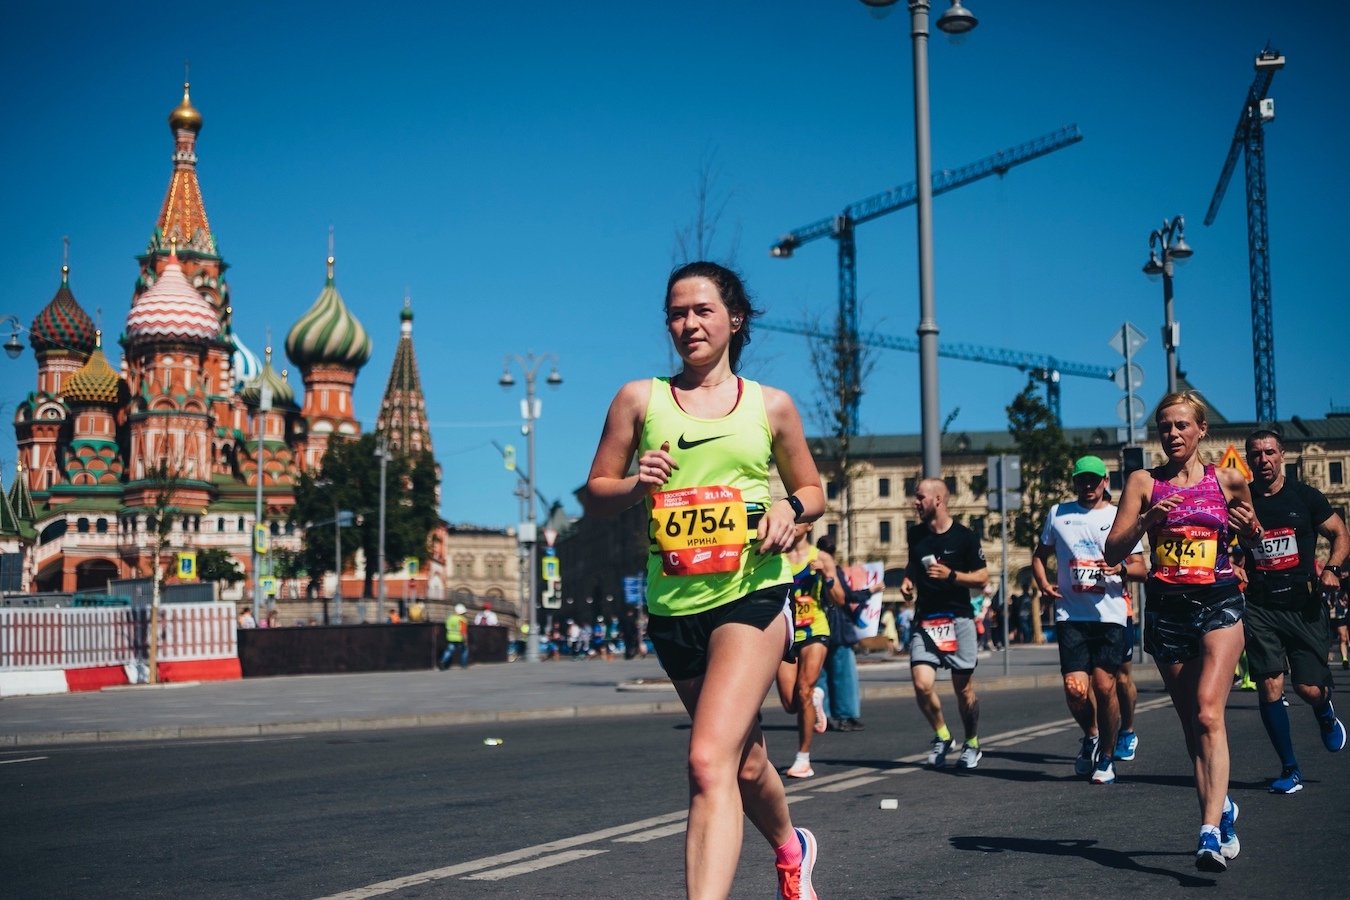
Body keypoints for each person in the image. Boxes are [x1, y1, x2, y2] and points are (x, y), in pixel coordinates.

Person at [583, 261, 825, 899]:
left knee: (704, 760)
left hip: (752, 592)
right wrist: (638, 483)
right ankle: (791, 848)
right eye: (676, 312)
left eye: (702, 310)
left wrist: (789, 510)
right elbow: (596, 493)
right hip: (673, 605)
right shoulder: (641, 399)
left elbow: (812, 489)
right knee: (743, 763)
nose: (688, 323)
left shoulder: (771, 405)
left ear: (734, 319)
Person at [1105, 390, 1260, 872]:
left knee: (1209, 713)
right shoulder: (1143, 482)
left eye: (1181, 426)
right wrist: (1146, 522)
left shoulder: (1230, 479)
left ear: (1201, 430)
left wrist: (1251, 528)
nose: (1172, 434)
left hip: (1218, 602)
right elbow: (1113, 551)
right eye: (1165, 427)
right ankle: (1224, 806)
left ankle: (1208, 833)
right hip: (1168, 611)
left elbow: (1249, 540)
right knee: (1194, 727)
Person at [1241, 428, 1349, 794]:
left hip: (1302, 605)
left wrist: (1332, 569)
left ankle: (1324, 710)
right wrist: (1236, 563)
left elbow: (1340, 532)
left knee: (1306, 687)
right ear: (1248, 459)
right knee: (1270, 684)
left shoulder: (1306, 497)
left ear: (1281, 455)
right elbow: (1228, 546)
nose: (1263, 460)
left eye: (1269, 452)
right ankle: (1290, 769)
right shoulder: (1241, 502)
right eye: (1255, 454)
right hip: (1260, 606)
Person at [1032, 455, 1148, 785]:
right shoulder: (1058, 514)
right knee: (1074, 690)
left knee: (1104, 685)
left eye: (1093, 480)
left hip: (1110, 615)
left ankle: (1108, 758)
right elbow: (1039, 558)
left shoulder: (1119, 517)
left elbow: (1141, 569)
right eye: (1081, 480)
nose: (1087, 485)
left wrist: (1121, 569)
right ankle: (1092, 735)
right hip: (1071, 614)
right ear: (1075, 483)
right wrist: (1042, 583)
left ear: (1104, 483)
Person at [901, 478, 989, 770]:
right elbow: (912, 566)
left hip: (958, 619)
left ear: (938, 500)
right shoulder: (915, 535)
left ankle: (972, 742)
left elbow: (981, 578)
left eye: (920, 497)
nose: (915, 502)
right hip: (926, 621)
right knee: (921, 683)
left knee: (963, 689)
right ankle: (942, 735)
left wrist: (951, 575)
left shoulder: (965, 537)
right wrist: (907, 583)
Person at [775, 527, 845, 777]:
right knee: (790, 702)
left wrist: (826, 576)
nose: (792, 526)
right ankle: (815, 696)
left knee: (803, 689)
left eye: (798, 521)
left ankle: (803, 759)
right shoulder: (776, 555)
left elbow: (840, 599)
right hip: (787, 631)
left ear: (809, 526)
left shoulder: (822, 557)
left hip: (815, 627)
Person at [815, 534, 865, 732]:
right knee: (844, 674)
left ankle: (823, 715)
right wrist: (871, 591)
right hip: (838, 626)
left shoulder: (809, 569)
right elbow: (845, 597)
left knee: (820, 674)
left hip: (816, 625)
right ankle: (845, 715)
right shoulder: (834, 571)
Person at [438, 603, 469, 669]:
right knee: (464, 650)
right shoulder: (462, 620)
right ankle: (463, 665)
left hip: (450, 637)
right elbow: (463, 631)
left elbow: (447, 627)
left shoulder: (450, 618)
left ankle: (442, 661)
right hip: (460, 638)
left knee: (449, 651)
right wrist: (466, 641)